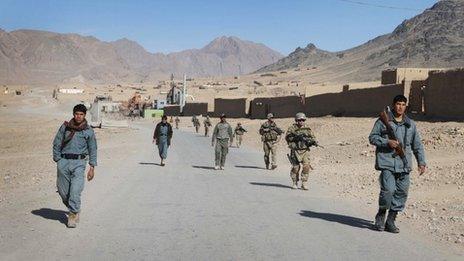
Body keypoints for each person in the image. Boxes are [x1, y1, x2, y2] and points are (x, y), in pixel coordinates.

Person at [369, 95, 427, 233]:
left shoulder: (410, 124)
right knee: (388, 191)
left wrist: (421, 162)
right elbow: (372, 137)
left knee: (401, 193)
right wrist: (386, 142)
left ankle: (391, 220)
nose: (400, 107)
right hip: (387, 163)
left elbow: (417, 145)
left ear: (406, 106)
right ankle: (381, 215)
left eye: (403, 104)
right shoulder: (383, 121)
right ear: (393, 105)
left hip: (404, 164)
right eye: (398, 104)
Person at [52, 104, 97, 228]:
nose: (79, 116)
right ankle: (75, 208)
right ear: (73, 114)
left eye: (81, 114)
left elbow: (93, 149)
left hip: (79, 163)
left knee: (75, 191)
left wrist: (92, 167)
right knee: (63, 192)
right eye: (77, 114)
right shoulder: (65, 127)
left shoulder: (88, 131)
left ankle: (72, 214)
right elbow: (56, 142)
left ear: (84, 115)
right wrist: (58, 159)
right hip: (63, 162)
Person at [285, 113, 317, 190]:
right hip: (295, 150)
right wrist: (296, 138)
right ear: (296, 120)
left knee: (306, 166)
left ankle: (304, 183)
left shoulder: (308, 129)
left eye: (303, 120)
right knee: (295, 168)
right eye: (299, 120)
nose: (301, 121)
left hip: (305, 150)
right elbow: (287, 138)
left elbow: (313, 137)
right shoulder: (292, 128)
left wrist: (312, 142)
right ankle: (295, 182)